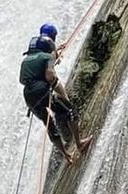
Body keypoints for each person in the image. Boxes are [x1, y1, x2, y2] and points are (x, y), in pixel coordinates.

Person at [19, 23, 92, 164]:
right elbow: (50, 77)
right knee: (70, 110)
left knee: (49, 125)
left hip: (28, 96)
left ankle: (66, 156)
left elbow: (23, 79)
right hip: (42, 92)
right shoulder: (47, 58)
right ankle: (79, 144)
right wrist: (51, 86)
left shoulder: (27, 60)